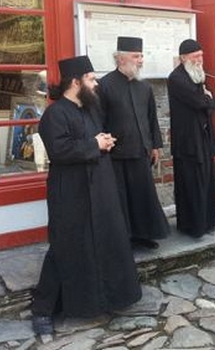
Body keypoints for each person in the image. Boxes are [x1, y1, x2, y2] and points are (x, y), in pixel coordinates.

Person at [30, 56, 141, 335]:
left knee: (106, 241)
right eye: (91, 79)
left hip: (100, 188)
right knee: (65, 247)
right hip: (71, 192)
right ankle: (43, 310)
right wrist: (95, 144)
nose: (96, 83)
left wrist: (105, 142)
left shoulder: (90, 109)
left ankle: (106, 300)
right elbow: (59, 151)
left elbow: (95, 140)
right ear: (75, 82)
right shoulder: (54, 114)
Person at [99, 36, 170, 249]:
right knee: (120, 200)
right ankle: (123, 240)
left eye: (141, 56)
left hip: (141, 152)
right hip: (116, 155)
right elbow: (98, 120)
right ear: (121, 59)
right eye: (136, 56)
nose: (140, 60)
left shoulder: (144, 87)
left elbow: (151, 119)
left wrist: (155, 146)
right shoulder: (104, 85)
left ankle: (144, 234)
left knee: (142, 197)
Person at [167, 39, 215, 238]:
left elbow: (210, 102)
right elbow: (201, 102)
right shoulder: (177, 78)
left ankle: (208, 221)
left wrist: (209, 100)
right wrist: (209, 99)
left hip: (203, 137)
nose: (200, 59)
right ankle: (194, 226)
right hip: (188, 141)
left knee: (207, 179)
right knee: (191, 182)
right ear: (184, 58)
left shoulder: (196, 75)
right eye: (196, 56)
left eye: (201, 56)